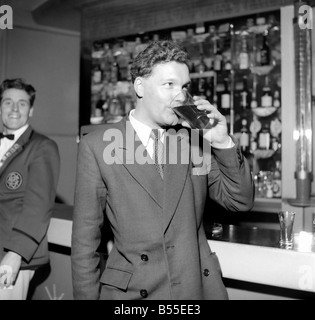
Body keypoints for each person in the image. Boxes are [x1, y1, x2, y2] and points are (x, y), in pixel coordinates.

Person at [71, 40, 254, 300]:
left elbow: (240, 201)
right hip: (134, 292)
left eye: (184, 86)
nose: (179, 96)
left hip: (195, 287)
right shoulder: (98, 145)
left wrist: (223, 142)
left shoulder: (193, 140)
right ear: (140, 86)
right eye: (169, 85)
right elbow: (84, 242)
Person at [0, 78, 60, 300]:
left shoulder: (42, 147)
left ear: (31, 109)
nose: (14, 109)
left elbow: (38, 207)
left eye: (22, 103)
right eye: (7, 102)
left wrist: (15, 254)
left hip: (12, 256)